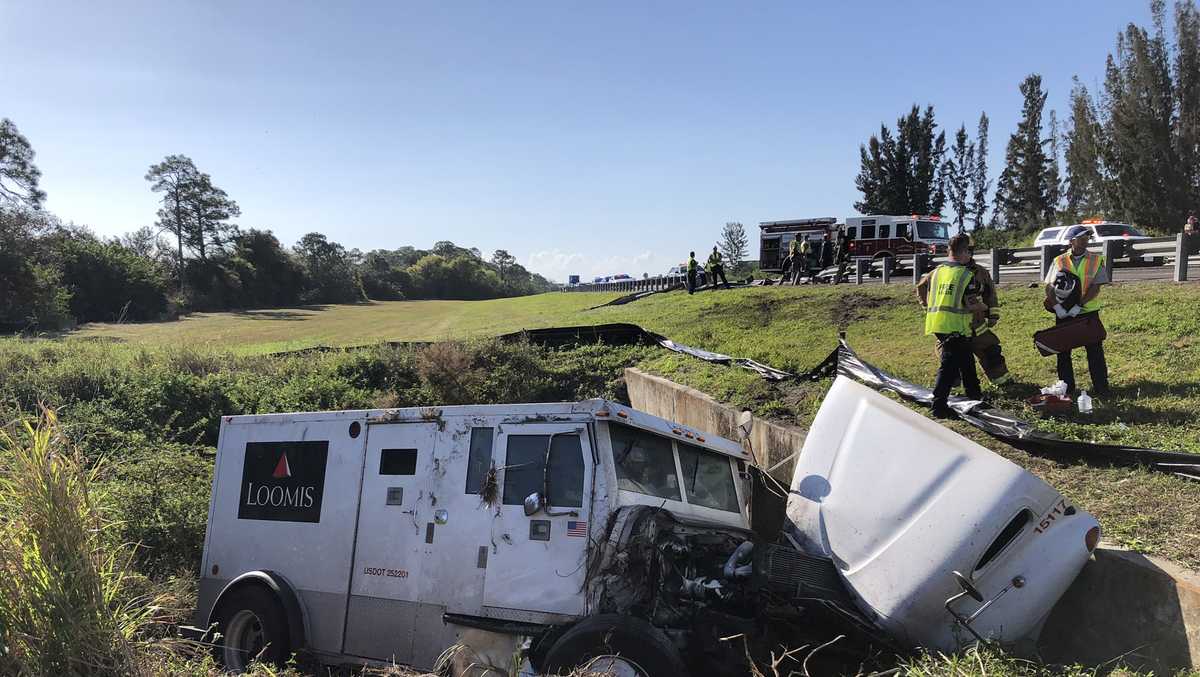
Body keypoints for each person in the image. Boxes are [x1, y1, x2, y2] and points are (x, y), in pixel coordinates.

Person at [916, 233, 987, 418]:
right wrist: (985, 307)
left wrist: (926, 306)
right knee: (948, 367)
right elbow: (972, 304)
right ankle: (938, 405)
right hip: (955, 326)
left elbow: (921, 287)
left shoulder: (938, 271)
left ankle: (974, 395)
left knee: (966, 360)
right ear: (964, 252)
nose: (971, 257)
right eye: (969, 252)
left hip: (938, 323)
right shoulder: (966, 275)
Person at [1043, 225, 1109, 395]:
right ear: (1071, 241)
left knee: (1095, 351)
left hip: (1087, 312)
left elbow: (1096, 287)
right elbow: (1049, 287)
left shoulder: (1095, 260)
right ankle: (1067, 388)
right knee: (1063, 352)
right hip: (1064, 314)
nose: (1085, 240)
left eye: (1087, 237)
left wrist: (1080, 304)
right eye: (1081, 237)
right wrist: (1057, 307)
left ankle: (1101, 388)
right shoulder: (1059, 261)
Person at [964, 241, 1010, 385]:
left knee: (991, 351)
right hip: (954, 326)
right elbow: (923, 287)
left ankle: (1001, 381)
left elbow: (990, 294)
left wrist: (993, 315)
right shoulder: (943, 271)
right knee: (955, 360)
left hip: (977, 324)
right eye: (964, 250)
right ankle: (955, 389)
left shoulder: (980, 272)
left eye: (969, 251)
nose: (967, 254)